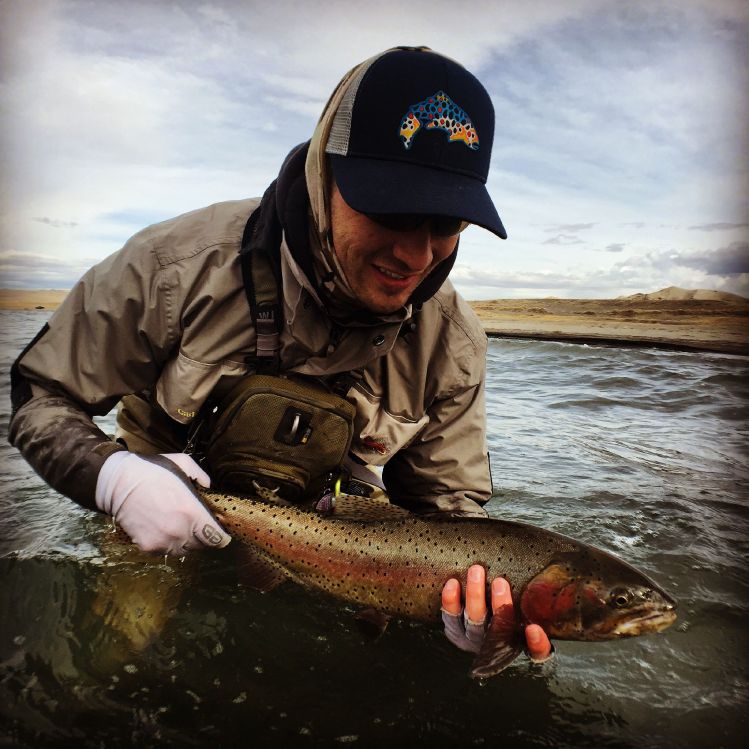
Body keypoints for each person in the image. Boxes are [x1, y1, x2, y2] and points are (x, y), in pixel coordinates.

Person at [9, 46, 551, 662]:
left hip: (346, 557)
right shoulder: (174, 268)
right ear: (325, 174)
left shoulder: (452, 345)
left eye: (448, 225)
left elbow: (445, 512)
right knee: (110, 666)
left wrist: (473, 607)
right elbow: (40, 393)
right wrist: (111, 478)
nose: (417, 255)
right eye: (392, 210)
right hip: (161, 526)